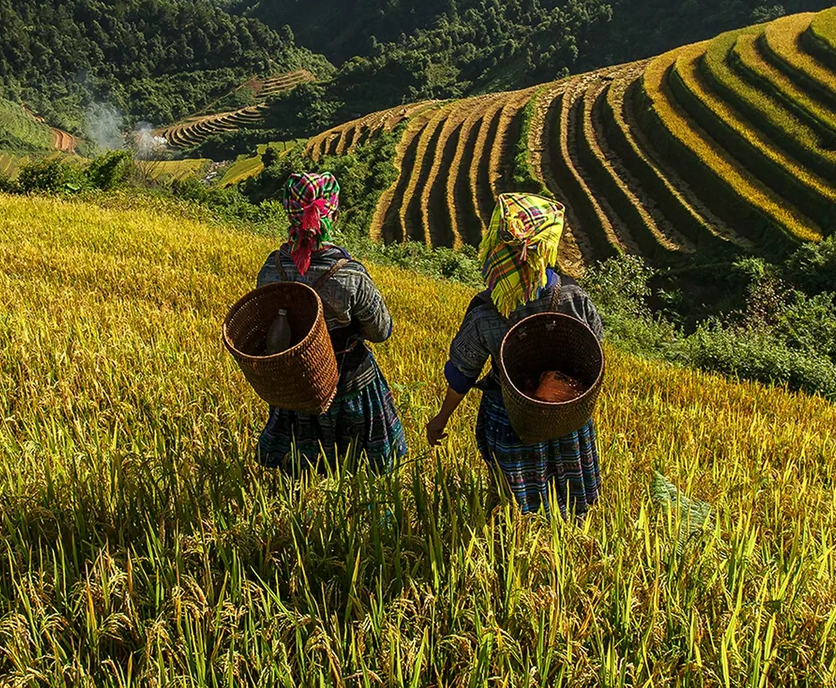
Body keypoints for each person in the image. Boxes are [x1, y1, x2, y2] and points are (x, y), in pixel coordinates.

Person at [425, 192, 604, 514]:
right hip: (565, 416)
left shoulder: (486, 313)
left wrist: (441, 419)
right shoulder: (576, 300)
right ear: (547, 246)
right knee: (570, 498)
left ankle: (514, 543)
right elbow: (594, 353)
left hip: (511, 416)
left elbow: (461, 373)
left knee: (514, 503)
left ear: (495, 245)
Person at [255, 172, 406, 473]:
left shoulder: (271, 270)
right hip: (349, 386)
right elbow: (381, 330)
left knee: (299, 475)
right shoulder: (350, 276)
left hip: (298, 387)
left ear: (290, 214)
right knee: (363, 473)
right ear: (333, 215)